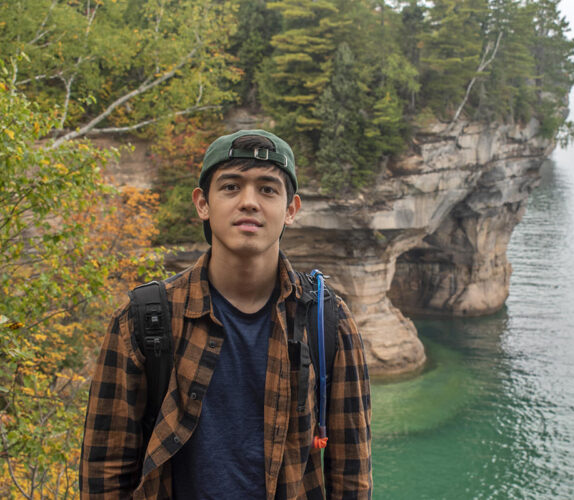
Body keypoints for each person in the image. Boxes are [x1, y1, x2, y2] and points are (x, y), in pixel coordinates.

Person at [80, 130, 372, 499]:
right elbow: (104, 473)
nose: (249, 202)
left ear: (291, 210)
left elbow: (351, 475)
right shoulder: (144, 319)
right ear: (203, 204)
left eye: (267, 189)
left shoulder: (328, 320)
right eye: (231, 187)